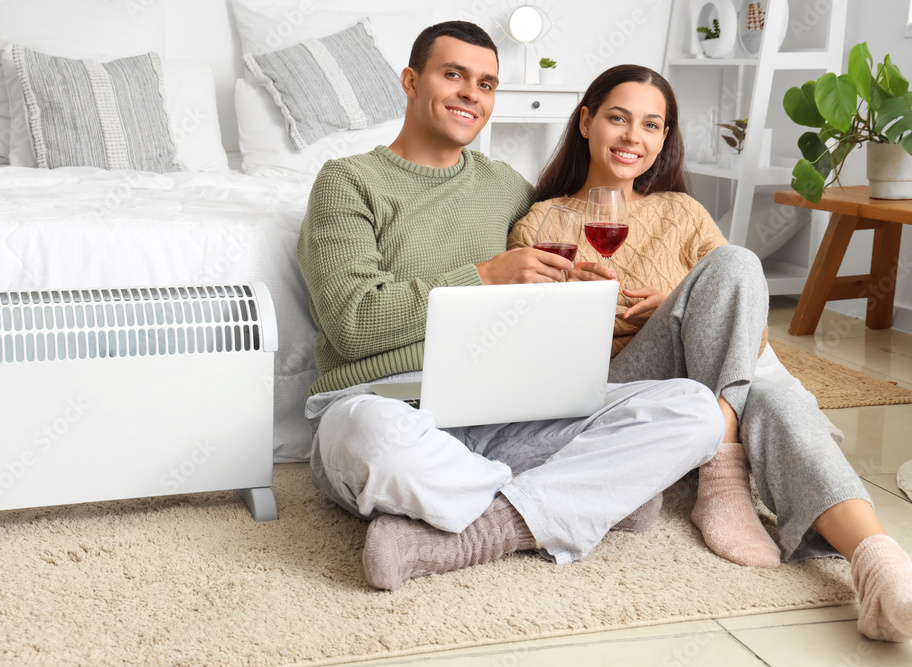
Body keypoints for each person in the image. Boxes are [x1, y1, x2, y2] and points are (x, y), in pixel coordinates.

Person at [295, 22, 727, 592]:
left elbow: (541, 296)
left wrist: (585, 292)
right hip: (389, 405)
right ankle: (585, 497)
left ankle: (490, 523)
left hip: (501, 415)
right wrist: (483, 276)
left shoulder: (511, 191)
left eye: (487, 83)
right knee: (373, 439)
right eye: (454, 75)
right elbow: (352, 324)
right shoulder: (347, 182)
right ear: (409, 80)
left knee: (693, 410)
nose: (472, 94)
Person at [508, 64, 912, 642]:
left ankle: (879, 566)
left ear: (664, 138)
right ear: (586, 122)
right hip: (620, 385)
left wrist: (680, 304)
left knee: (747, 302)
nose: (633, 138)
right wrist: (596, 309)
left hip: (706, 385)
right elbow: (538, 349)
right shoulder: (543, 221)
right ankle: (724, 481)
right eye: (618, 119)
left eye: (652, 125)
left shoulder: (681, 211)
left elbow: (751, 332)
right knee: (759, 372)